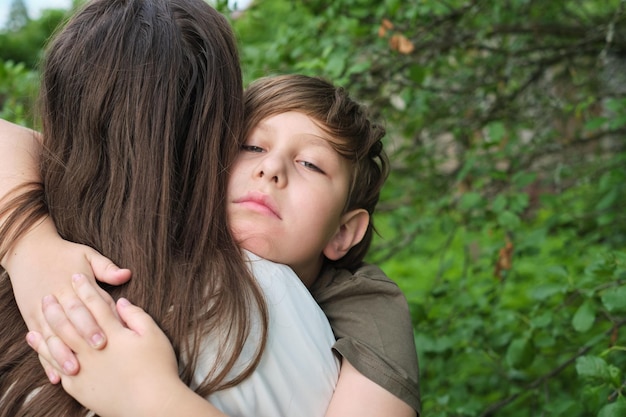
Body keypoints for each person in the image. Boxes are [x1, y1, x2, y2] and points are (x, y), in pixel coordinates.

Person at [0, 4, 419, 417]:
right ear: (210, 155)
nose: (270, 168)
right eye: (251, 146)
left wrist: (153, 399)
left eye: (310, 164)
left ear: (344, 232)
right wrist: (29, 243)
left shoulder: (368, 305)